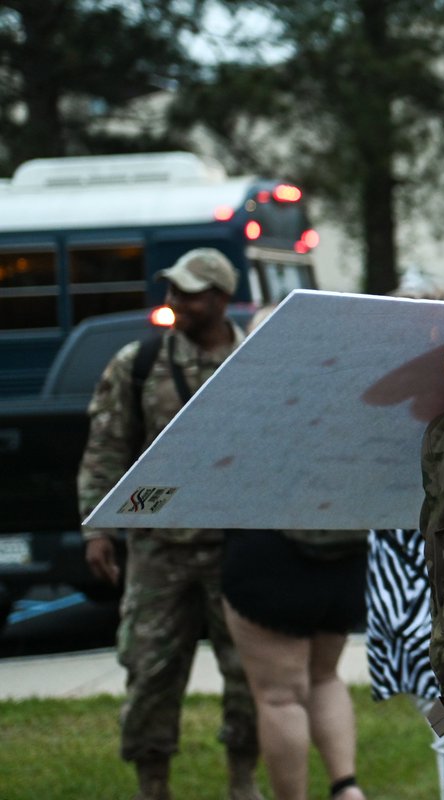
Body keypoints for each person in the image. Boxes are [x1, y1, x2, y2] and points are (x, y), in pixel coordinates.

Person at [77, 248, 261, 800]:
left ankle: (242, 781)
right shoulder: (140, 362)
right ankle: (151, 784)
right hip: (159, 548)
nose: (176, 301)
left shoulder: (258, 358)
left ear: (222, 299)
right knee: (150, 670)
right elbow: (106, 448)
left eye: (191, 293)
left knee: (249, 675)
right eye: (173, 290)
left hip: (237, 547)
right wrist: (98, 529)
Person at [220, 529, 369, 800]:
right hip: (347, 553)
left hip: (273, 554)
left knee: (280, 699)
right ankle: (346, 787)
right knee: (326, 677)